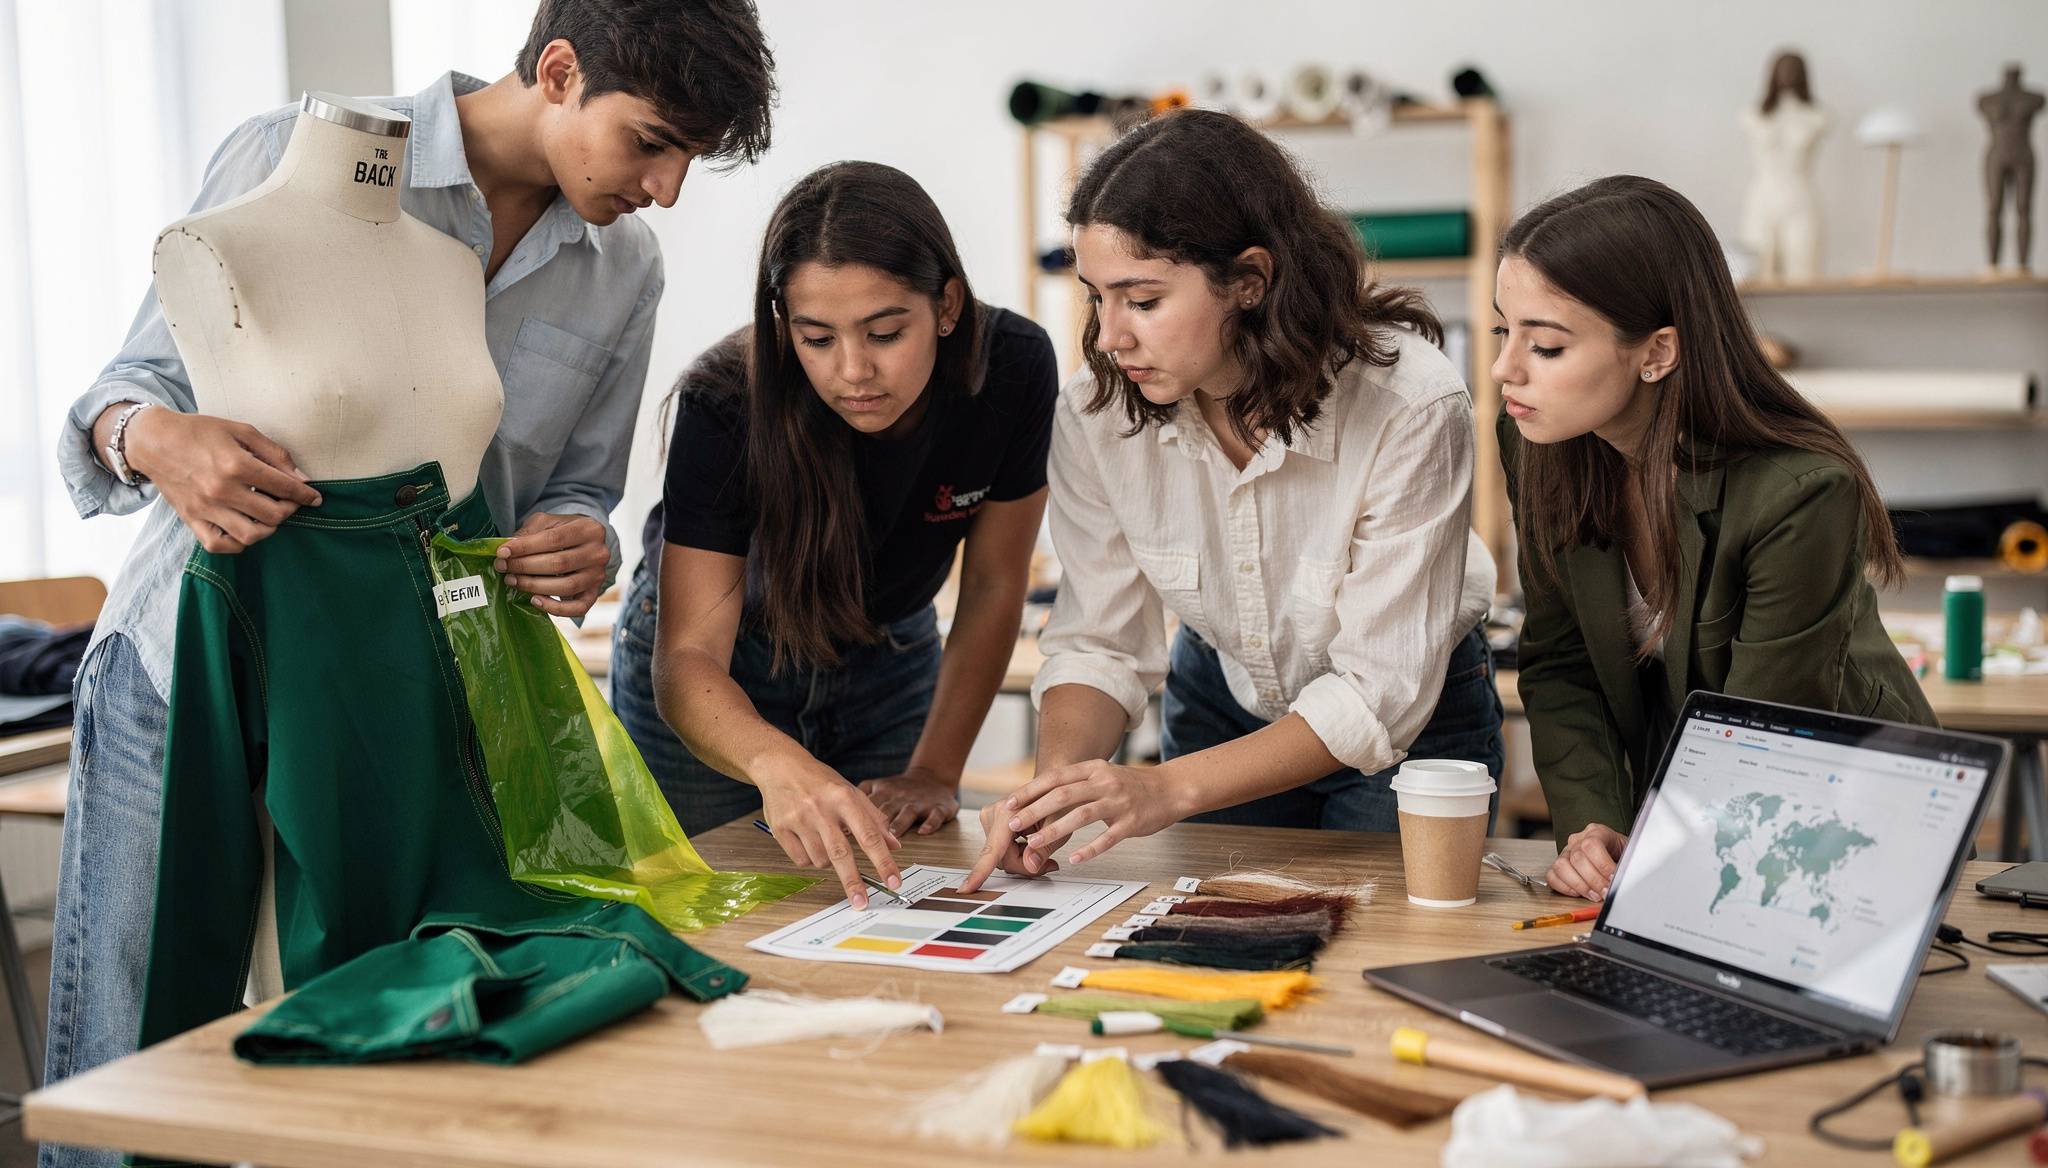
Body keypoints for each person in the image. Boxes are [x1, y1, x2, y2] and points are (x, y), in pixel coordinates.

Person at [44, 3, 773, 1163]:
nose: (668, 187)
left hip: (409, 700)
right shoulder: (295, 156)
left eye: (690, 158)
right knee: (127, 1062)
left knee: (385, 1032)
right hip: (188, 658)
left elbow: (579, 491)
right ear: (559, 69)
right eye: (650, 142)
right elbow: (122, 388)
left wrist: (585, 543)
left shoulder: (621, 268)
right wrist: (153, 437)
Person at [962, 109, 1502, 890]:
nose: (1110, 336)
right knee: (1214, 941)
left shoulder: (1411, 405)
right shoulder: (1094, 415)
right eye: (1096, 298)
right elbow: (1101, 641)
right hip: (1223, 696)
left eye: (1141, 301)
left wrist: (1164, 787)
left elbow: (1378, 695)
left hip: (1414, 721)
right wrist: (1054, 797)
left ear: (1250, 281)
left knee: (1373, 964)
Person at [615, 161, 1054, 907]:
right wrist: (774, 763)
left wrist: (936, 771)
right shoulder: (725, 403)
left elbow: (992, 584)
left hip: (887, 656)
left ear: (947, 305)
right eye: (817, 338)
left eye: (886, 332)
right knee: (714, 919)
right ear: (783, 322)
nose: (854, 371)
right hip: (726, 675)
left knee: (880, 908)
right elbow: (688, 658)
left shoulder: (1011, 366)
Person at [1492, 175, 1936, 901]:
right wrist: (1595, 829)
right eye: (1501, 331)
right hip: (1689, 821)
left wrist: (1666, 856)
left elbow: (1762, 735)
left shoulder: (1800, 494)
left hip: (1844, 814)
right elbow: (1561, 661)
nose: (1504, 369)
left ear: (1657, 352)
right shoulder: (1537, 444)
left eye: (1543, 345)